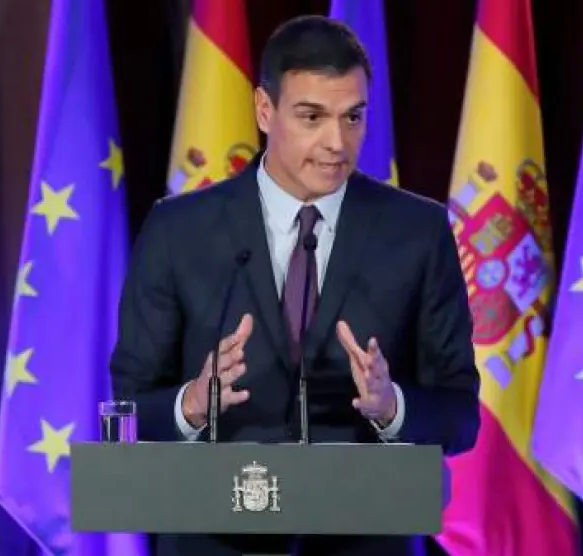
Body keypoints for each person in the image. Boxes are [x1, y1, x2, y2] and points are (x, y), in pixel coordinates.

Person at [109, 14, 480, 556]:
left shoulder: (417, 233)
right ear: (265, 110)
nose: (337, 142)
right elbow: (129, 405)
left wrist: (391, 405)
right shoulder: (179, 232)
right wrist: (191, 404)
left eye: (353, 117)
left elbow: (460, 414)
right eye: (312, 117)